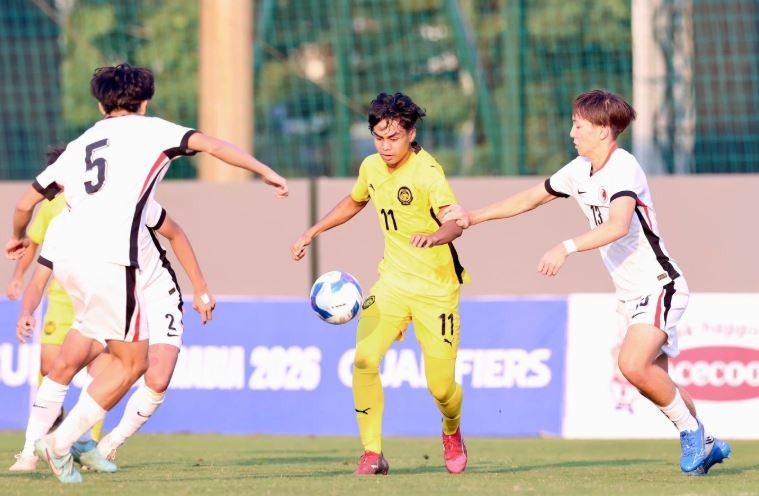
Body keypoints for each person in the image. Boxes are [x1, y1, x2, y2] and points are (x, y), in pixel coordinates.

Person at [4, 63, 287, 484]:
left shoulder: (79, 144)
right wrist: (265, 172)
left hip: (67, 259)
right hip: (112, 260)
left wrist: (17, 237)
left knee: (82, 351)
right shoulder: (154, 130)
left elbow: (24, 204)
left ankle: (59, 444)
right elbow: (214, 145)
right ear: (146, 101)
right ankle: (60, 442)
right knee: (132, 362)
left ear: (100, 105)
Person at [442, 89, 731, 476]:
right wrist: (473, 217)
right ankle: (706, 442)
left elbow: (618, 225)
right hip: (629, 294)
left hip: (660, 283)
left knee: (631, 364)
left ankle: (694, 436)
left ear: (603, 130)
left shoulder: (624, 167)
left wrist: (566, 247)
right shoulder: (579, 169)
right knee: (654, 382)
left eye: (578, 125)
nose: (572, 133)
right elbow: (531, 198)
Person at [291, 92, 469, 475]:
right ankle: (372, 453)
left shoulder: (428, 172)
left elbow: (455, 222)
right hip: (391, 283)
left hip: (436, 290)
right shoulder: (371, 167)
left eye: (394, 138)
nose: (385, 146)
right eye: (378, 137)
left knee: (441, 388)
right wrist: (313, 231)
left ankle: (451, 428)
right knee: (364, 359)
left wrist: (435, 236)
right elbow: (356, 201)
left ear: (411, 133)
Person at [11, 197, 215, 472]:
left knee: (157, 379)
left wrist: (200, 288)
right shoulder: (60, 226)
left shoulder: (131, 199)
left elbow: (176, 233)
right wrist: (26, 312)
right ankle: (29, 453)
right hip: (113, 297)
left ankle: (109, 444)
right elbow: (38, 280)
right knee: (62, 365)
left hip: (156, 295)